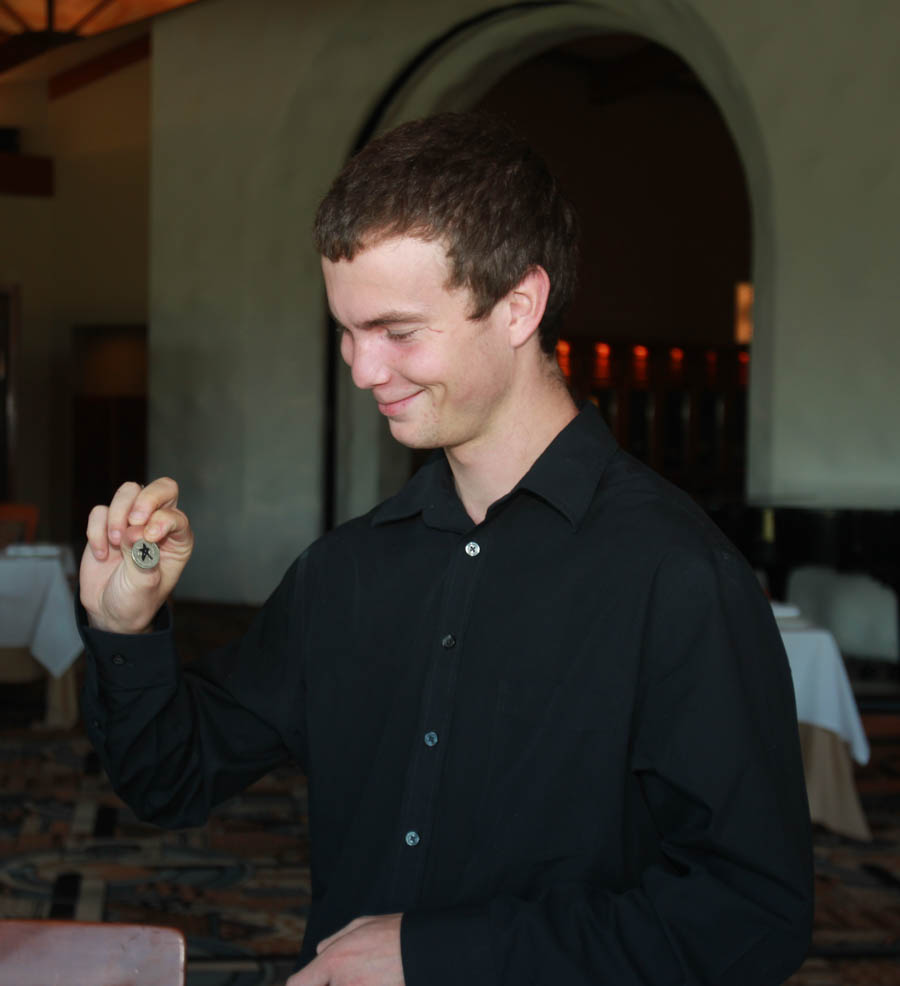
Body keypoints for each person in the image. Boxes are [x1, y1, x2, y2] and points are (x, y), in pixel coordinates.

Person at [79, 112, 813, 986]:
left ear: (519, 305)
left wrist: (434, 956)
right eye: (346, 332)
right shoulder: (346, 571)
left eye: (398, 331)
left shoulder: (679, 575)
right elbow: (171, 780)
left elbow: (751, 917)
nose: (361, 370)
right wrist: (123, 629)